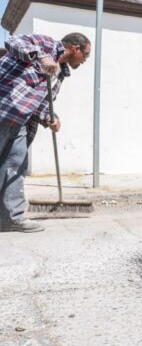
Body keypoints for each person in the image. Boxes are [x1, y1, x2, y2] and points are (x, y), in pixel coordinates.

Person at [0, 33, 91, 233]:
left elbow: (44, 103)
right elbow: (14, 41)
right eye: (86, 55)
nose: (84, 61)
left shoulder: (61, 73)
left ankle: (10, 218)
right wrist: (41, 56)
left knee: (15, 167)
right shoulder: (46, 44)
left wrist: (51, 117)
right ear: (76, 48)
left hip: (20, 121)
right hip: (3, 109)